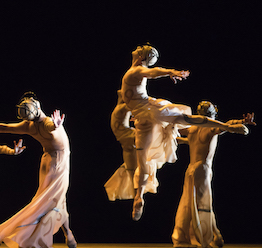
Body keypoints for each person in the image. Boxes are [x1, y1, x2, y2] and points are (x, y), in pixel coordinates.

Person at [120, 44, 248, 221]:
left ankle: (139, 196)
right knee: (185, 119)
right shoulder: (136, 72)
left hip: (146, 113)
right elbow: (143, 84)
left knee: (143, 160)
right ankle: (228, 127)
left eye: (142, 48)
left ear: (142, 57)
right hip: (145, 113)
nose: (138, 46)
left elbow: (152, 72)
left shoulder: (135, 71)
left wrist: (171, 71)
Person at [171, 101, 256, 248]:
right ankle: (200, 237)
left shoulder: (192, 129)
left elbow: (185, 138)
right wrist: (241, 124)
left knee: (189, 203)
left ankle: (214, 236)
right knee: (202, 204)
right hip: (202, 169)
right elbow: (226, 125)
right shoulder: (210, 128)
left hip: (191, 169)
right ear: (212, 115)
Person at [0, 92, 76, 248]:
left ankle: (68, 234)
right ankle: (28, 233)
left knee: (56, 199)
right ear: (38, 106)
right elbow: (50, 126)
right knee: (51, 200)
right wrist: (56, 125)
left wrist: (55, 126)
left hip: (47, 161)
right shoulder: (46, 123)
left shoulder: (28, 126)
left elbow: (5, 127)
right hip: (59, 163)